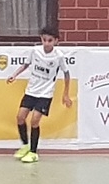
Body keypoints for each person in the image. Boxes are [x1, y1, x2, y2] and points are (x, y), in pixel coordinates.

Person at [5, 26, 73, 163]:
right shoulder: (35, 51)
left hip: (45, 94)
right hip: (31, 91)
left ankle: (33, 152)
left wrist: (66, 94)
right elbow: (26, 65)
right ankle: (25, 146)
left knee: (35, 120)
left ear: (56, 41)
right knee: (20, 117)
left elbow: (66, 73)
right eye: (44, 40)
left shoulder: (59, 56)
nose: (47, 43)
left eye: (50, 40)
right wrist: (14, 75)